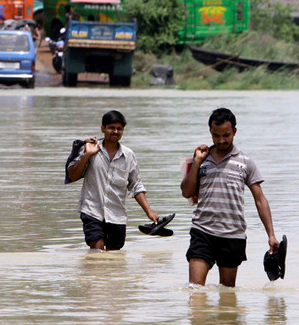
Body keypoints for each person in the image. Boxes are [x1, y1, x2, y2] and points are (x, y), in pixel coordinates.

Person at [181, 108, 279, 288]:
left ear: (234, 131)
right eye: (215, 136)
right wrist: (196, 163)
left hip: (232, 234)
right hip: (202, 231)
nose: (221, 140)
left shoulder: (245, 162)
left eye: (226, 135)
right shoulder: (200, 159)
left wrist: (271, 235)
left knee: (226, 293)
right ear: (210, 133)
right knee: (194, 290)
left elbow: (260, 199)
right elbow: (186, 192)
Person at [67, 110, 160, 251]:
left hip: (117, 214)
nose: (115, 131)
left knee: (114, 255)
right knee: (97, 249)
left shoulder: (128, 155)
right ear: (103, 128)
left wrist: (149, 212)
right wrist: (87, 155)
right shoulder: (90, 149)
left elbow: (136, 185)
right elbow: (72, 175)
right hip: (92, 211)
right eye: (111, 128)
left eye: (119, 129)